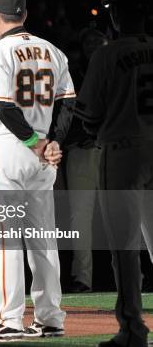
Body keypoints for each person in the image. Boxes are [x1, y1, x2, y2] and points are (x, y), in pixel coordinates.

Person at [0, 0, 75, 339]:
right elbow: (68, 104)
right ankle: (50, 317)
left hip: (10, 146)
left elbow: (3, 107)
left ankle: (9, 319)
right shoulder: (54, 51)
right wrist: (53, 144)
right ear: (25, 15)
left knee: (6, 237)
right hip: (44, 151)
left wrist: (35, 143)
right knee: (43, 237)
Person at [75, 0, 153, 347]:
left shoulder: (107, 54)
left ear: (116, 20)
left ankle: (133, 329)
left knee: (124, 247)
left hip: (123, 151)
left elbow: (88, 117)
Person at [63, 28, 108, 293]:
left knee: (128, 214)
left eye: (98, 41)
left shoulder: (119, 72)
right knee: (79, 216)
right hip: (81, 150)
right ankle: (83, 278)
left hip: (114, 149)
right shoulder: (72, 76)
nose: (93, 46)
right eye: (88, 42)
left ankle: (135, 275)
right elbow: (65, 116)